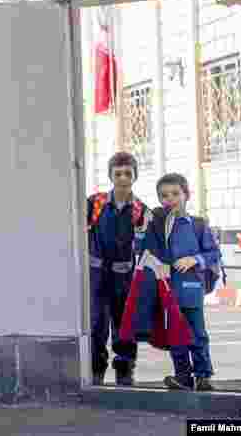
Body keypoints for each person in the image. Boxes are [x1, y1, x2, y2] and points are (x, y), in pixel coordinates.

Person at [147, 173, 220, 392]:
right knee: (175, 335)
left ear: (186, 195)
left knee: (197, 333)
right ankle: (183, 377)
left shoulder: (197, 225)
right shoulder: (157, 226)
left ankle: (203, 376)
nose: (170, 199)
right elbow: (147, 251)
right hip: (167, 290)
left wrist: (194, 259)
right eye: (164, 196)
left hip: (191, 288)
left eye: (175, 194)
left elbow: (214, 254)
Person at [87, 151, 152, 386]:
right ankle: (95, 369)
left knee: (124, 325)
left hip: (124, 278)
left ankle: (125, 369)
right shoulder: (95, 203)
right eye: (118, 173)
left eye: (128, 173)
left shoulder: (140, 210)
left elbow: (147, 245)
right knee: (96, 324)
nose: (123, 178)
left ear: (135, 176)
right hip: (96, 277)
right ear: (110, 176)